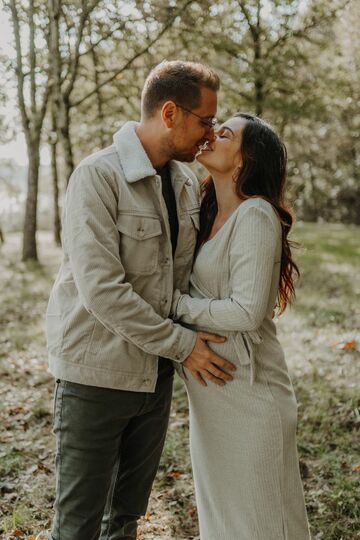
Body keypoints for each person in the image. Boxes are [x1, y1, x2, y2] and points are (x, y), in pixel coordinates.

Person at [44, 61, 237, 540]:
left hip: (156, 377)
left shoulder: (185, 183)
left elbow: (183, 279)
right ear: (170, 112)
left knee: (124, 520)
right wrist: (184, 345)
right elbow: (103, 292)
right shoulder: (97, 177)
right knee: (78, 526)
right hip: (96, 377)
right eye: (205, 121)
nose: (210, 134)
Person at [171, 113, 311, 539]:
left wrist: (177, 306)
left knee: (263, 523)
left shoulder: (255, 215)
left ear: (244, 159)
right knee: (224, 522)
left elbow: (248, 312)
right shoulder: (205, 211)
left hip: (252, 397)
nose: (212, 135)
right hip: (212, 400)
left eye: (225, 133)